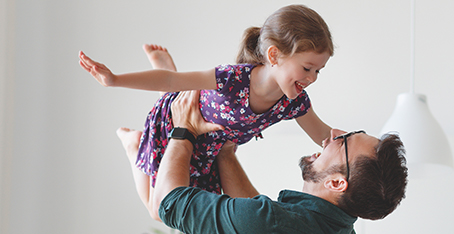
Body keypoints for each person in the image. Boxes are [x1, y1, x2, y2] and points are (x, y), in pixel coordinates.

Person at [142, 90, 408, 234]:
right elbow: (260, 230)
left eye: (344, 141)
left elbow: (170, 203)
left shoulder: (271, 226)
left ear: (337, 183)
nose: (333, 134)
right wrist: (224, 152)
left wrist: (183, 130)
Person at [79, 4, 334, 205]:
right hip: (176, 125)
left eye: (318, 71)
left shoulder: (294, 103)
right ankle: (133, 145)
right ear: (274, 55)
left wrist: (369, 147)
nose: (311, 78)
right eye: (307, 68)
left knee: (176, 208)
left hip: (208, 151)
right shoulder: (232, 79)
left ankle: (166, 77)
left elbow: (325, 136)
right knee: (158, 210)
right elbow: (171, 80)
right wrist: (113, 79)